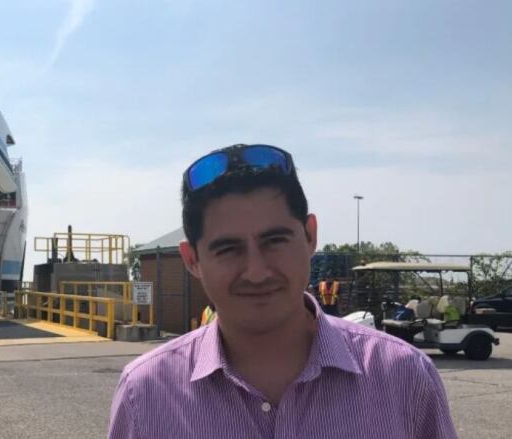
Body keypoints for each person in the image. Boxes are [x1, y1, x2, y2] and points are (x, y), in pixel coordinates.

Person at [108, 144, 456, 438]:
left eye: (274, 241)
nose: (257, 272)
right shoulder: (147, 394)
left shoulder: (403, 377)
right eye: (228, 249)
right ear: (192, 259)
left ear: (310, 236)